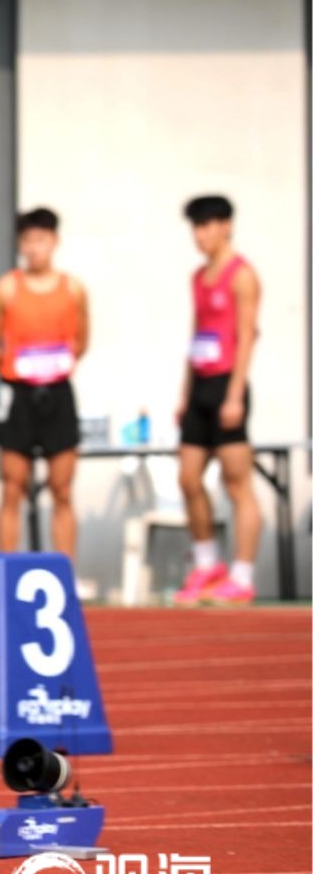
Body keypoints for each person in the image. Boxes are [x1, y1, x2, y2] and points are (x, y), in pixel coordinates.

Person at [172, 195, 262, 606]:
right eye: (196, 227)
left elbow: (246, 336)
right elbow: (196, 335)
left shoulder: (242, 276)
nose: (202, 235)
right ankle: (207, 564)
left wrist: (236, 394)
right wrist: (185, 392)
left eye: (209, 225)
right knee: (188, 478)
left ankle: (242, 574)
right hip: (201, 387)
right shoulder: (195, 277)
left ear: (226, 225)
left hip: (229, 385)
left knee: (236, 482)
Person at [0, 208, 88, 558]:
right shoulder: (6, 288)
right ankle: (7, 571)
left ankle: (64, 574)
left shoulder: (72, 288)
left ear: (54, 242)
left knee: (62, 489)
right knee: (12, 487)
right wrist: (15, 369)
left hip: (58, 393)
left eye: (40, 240)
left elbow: (82, 340)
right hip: (18, 394)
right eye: (27, 241)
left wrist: (54, 366)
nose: (33, 248)